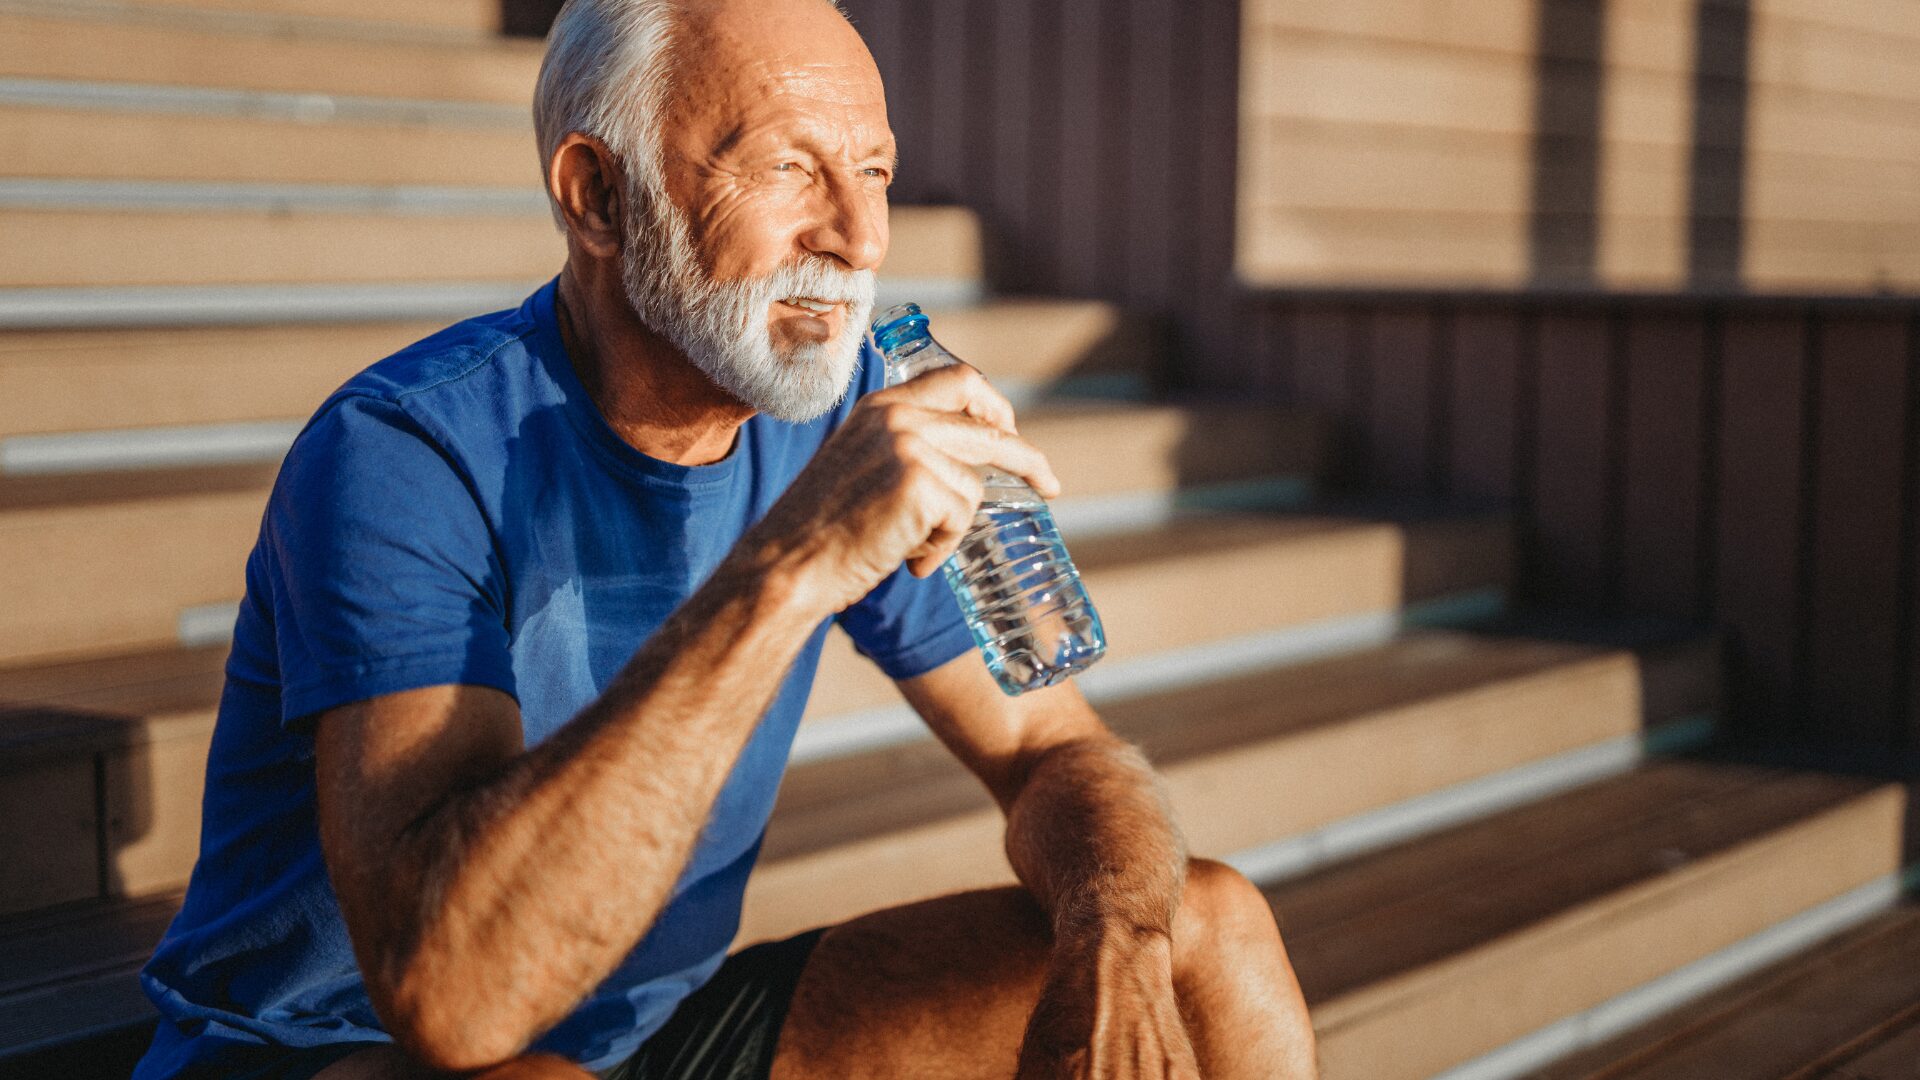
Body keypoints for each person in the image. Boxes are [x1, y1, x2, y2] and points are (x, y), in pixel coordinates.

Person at [131, 0, 1319, 1076]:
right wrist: (796, 564)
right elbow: (451, 1001)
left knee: (1204, 932)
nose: (859, 235)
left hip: (644, 1030)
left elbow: (1057, 750)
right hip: (337, 1044)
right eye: (789, 168)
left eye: (875, 170)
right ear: (597, 195)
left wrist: (1112, 932)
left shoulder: (840, 414)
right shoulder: (406, 454)